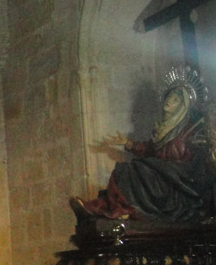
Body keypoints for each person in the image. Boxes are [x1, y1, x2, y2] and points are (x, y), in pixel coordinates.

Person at [70, 66, 215, 223]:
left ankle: (114, 209)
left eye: (175, 100)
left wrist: (169, 169)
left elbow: (196, 168)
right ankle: (100, 208)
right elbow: (151, 150)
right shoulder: (164, 128)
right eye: (169, 97)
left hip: (180, 188)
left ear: (183, 107)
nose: (169, 101)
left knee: (134, 172)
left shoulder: (191, 130)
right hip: (162, 179)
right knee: (129, 172)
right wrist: (129, 143)